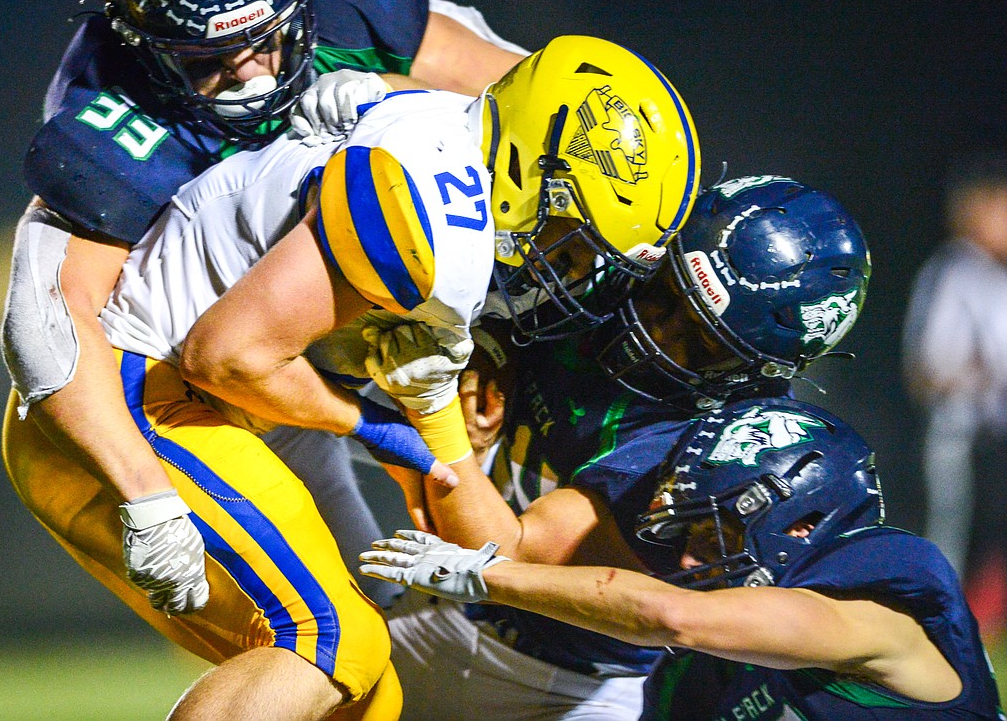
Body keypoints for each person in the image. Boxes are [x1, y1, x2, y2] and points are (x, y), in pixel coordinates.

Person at [4, 33, 701, 720]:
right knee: (330, 639)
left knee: (371, 697)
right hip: (141, 394)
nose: (571, 270)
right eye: (571, 238)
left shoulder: (447, 125)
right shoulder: (433, 225)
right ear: (528, 167)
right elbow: (226, 357)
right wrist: (374, 424)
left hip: (214, 406)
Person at [0, 0, 531, 616]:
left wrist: (392, 98)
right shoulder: (109, 122)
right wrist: (145, 496)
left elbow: (534, 120)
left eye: (266, 38)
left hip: (331, 337)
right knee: (344, 631)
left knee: (436, 598)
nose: (250, 72)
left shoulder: (354, 6)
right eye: (206, 58)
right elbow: (49, 319)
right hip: (205, 377)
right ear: (142, 43)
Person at [370, 176, 873, 719]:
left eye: (700, 339)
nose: (654, 331)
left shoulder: (726, 444)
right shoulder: (607, 272)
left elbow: (500, 556)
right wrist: (487, 351)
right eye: (666, 293)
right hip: (438, 599)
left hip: (559, 684)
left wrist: (436, 403)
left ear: (760, 371)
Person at [360, 398, 1006, 719]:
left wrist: (484, 576)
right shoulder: (715, 672)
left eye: (716, 536)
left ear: (802, 526)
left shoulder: (872, 616)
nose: (693, 562)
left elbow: (669, 616)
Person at [903, 151, 1007, 647]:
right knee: (951, 537)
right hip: (959, 435)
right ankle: (939, 630)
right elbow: (926, 368)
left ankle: (977, 625)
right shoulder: (953, 271)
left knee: (988, 537)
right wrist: (982, 375)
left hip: (994, 436)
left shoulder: (995, 276)